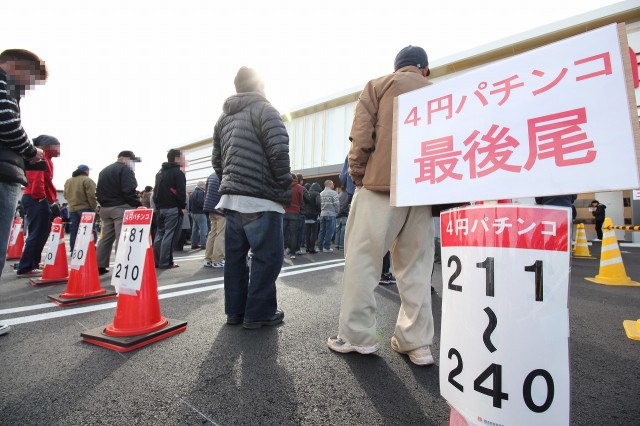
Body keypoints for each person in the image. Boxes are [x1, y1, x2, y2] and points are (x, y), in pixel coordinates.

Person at [327, 46, 436, 366]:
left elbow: (361, 137)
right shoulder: (439, 91)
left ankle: (358, 337)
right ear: (424, 69)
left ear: (397, 67)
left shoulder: (378, 85)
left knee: (363, 261)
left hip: (379, 186)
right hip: (421, 191)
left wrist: (359, 176)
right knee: (417, 269)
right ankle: (417, 343)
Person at [212, 66, 291, 329]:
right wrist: (282, 186)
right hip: (262, 199)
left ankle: (235, 311)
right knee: (267, 257)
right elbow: (279, 152)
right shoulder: (266, 110)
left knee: (235, 259)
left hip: (232, 199)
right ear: (259, 86)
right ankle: (258, 313)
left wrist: (233, 183)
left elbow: (217, 160)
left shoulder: (223, 119)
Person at [0, 48, 47, 335]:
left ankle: (27, 264)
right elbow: (7, 124)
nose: (29, 87)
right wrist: (31, 151)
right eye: (31, 78)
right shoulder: (4, 86)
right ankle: (28, 265)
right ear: (17, 67)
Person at [15, 135, 60, 277]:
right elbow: (37, 179)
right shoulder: (38, 157)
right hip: (36, 198)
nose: (58, 149)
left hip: (36, 198)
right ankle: (26, 267)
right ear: (46, 146)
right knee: (38, 233)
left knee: (39, 233)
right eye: (56, 146)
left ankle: (32, 263)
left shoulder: (45, 159)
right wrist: (41, 198)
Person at [95, 151, 142, 275]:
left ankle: (99, 265)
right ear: (124, 158)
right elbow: (129, 190)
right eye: (132, 160)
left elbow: (98, 191)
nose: (132, 163)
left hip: (105, 208)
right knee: (123, 238)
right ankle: (122, 267)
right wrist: (137, 203)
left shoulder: (104, 170)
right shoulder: (125, 169)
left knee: (106, 237)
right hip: (121, 207)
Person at [152, 149, 187, 269]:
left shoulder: (160, 173)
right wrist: (182, 206)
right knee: (170, 235)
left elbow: (155, 192)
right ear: (176, 158)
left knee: (159, 234)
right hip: (172, 208)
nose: (183, 160)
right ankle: (166, 262)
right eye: (182, 158)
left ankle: (157, 261)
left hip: (160, 208)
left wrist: (157, 206)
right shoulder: (178, 173)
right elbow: (181, 192)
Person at [64, 164, 98, 253]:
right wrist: (94, 207)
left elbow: (65, 195)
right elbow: (91, 196)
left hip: (72, 209)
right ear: (86, 171)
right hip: (86, 208)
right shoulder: (87, 180)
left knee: (74, 230)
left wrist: (72, 202)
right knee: (89, 230)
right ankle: (89, 250)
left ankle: (73, 250)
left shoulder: (68, 181)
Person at [203, 172, 225, 268]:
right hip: (220, 208)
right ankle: (217, 260)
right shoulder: (224, 174)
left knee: (212, 233)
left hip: (210, 207)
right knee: (221, 234)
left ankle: (208, 259)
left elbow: (206, 192)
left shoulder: (211, 175)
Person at [284, 174, 303, 259]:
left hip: (284, 211)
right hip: (295, 212)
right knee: (293, 234)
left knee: (282, 233)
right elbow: (300, 200)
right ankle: (292, 253)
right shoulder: (299, 187)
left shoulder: (285, 186)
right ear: (296, 179)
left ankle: (281, 251)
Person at [317, 180, 340, 252]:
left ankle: (319, 247)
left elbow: (319, 204)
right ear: (330, 184)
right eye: (333, 184)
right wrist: (337, 212)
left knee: (322, 231)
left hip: (322, 214)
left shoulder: (321, 193)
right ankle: (326, 247)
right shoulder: (333, 193)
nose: (333, 185)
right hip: (331, 214)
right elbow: (336, 204)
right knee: (329, 231)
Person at [189, 181, 208, 249]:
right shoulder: (201, 192)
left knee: (195, 229)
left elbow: (190, 203)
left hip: (193, 213)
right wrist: (205, 208)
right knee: (203, 229)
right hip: (200, 213)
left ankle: (194, 243)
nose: (205, 186)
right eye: (204, 185)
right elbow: (201, 202)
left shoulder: (193, 192)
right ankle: (203, 243)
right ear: (201, 185)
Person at [304, 183, 322, 254]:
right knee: (314, 232)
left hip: (306, 215)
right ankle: (312, 248)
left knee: (307, 233)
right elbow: (318, 203)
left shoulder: (307, 193)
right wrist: (318, 211)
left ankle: (307, 247)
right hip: (314, 215)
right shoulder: (317, 194)